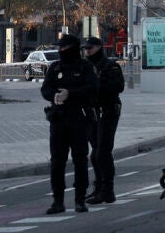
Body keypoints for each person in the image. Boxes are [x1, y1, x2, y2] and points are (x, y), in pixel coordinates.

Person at [40, 34, 98, 214]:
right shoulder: (55, 67)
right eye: (59, 47)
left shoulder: (85, 67)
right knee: (57, 161)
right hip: (58, 119)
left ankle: (80, 199)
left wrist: (70, 94)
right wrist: (54, 96)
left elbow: (92, 88)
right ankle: (58, 201)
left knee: (80, 159)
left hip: (78, 118)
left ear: (72, 47)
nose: (60, 51)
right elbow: (45, 88)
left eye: (63, 47)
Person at [83, 36, 123, 204]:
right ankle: (99, 188)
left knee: (102, 152)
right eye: (86, 48)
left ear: (99, 47)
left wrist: (96, 83)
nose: (87, 51)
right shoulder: (86, 66)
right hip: (92, 113)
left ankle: (108, 190)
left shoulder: (110, 66)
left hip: (108, 112)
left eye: (90, 48)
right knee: (95, 153)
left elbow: (118, 87)